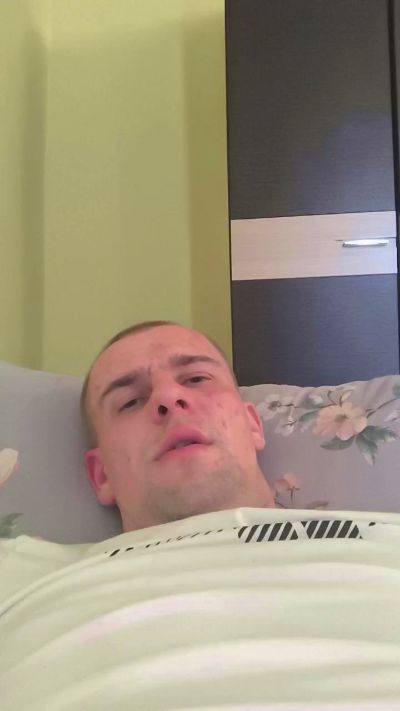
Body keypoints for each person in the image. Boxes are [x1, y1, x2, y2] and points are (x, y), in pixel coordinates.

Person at [2, 320, 400, 710]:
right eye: (130, 401)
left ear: (252, 425)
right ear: (102, 474)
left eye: (196, 379)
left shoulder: (388, 539)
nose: (168, 398)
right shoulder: (21, 573)